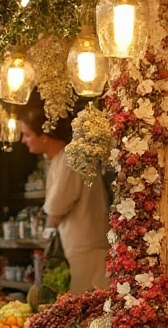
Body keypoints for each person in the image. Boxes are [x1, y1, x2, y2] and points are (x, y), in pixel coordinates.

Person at [18, 97, 109, 293]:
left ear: (44, 135)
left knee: (84, 308)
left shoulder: (70, 158)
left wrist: (46, 233)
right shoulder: (60, 159)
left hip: (86, 248)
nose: (23, 140)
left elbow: (56, 208)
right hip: (80, 246)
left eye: (26, 134)